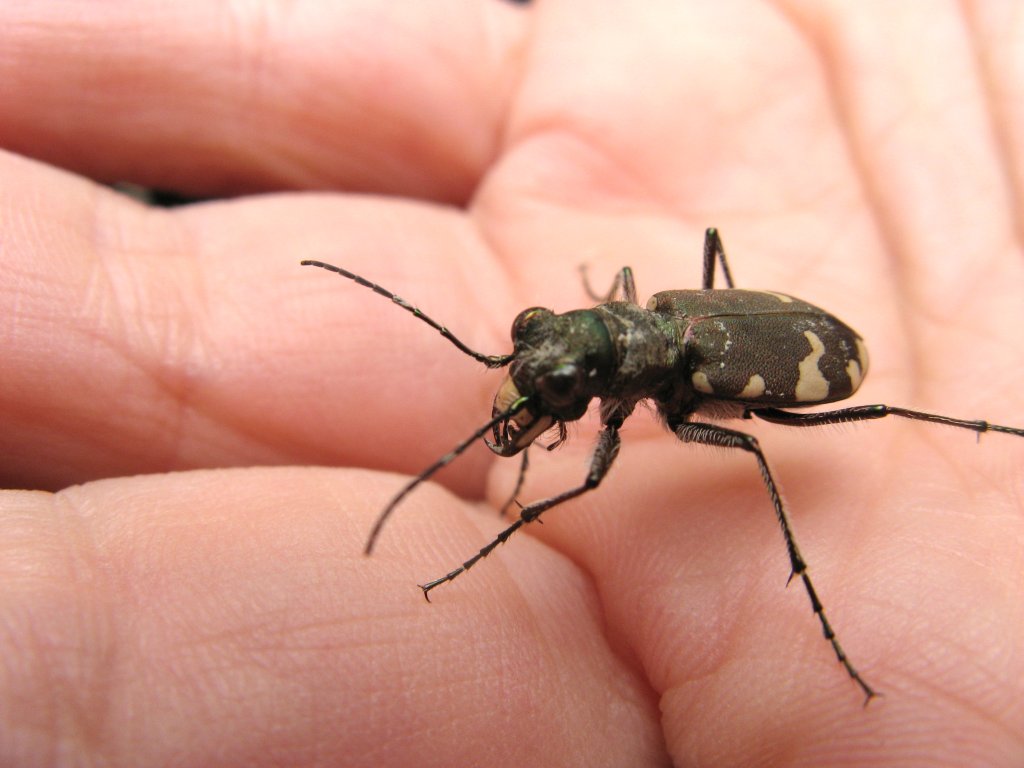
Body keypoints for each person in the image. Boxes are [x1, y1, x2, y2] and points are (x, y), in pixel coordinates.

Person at [1, 2, 1022, 765]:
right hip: (707, 324)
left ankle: (956, 447)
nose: (539, 385)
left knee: (765, 436)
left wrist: (504, 520)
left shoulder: (683, 372)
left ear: (616, 359)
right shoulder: (637, 321)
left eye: (566, 383)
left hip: (784, 356)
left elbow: (590, 476)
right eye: (542, 349)